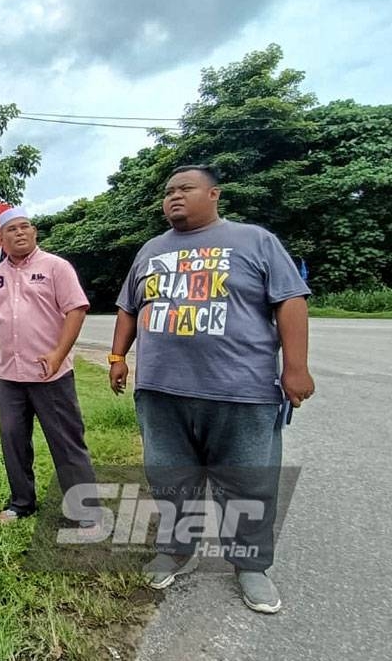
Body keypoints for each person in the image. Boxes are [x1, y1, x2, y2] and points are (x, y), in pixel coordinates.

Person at [109, 164, 314, 614]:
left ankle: (251, 566)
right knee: (169, 478)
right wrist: (117, 357)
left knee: (248, 482)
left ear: (214, 194)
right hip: (161, 392)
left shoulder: (254, 240)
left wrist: (295, 368)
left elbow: (290, 301)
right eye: (168, 192)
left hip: (241, 391)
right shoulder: (150, 249)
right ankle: (178, 549)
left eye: (185, 188)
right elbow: (129, 307)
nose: (174, 197)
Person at [0, 206, 99, 524]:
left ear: (34, 232)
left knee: (66, 441)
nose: (20, 233)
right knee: (13, 439)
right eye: (12, 229)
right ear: (0, 237)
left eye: (26, 227)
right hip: (9, 376)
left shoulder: (56, 267)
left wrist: (58, 354)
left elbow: (76, 310)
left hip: (50, 373)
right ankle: (22, 503)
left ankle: (85, 510)